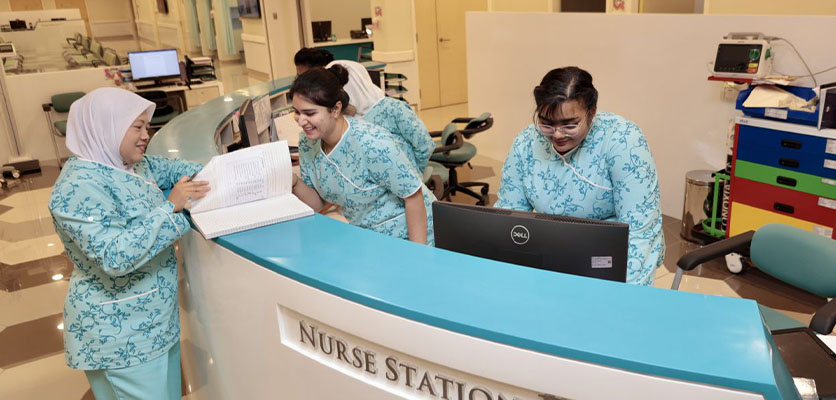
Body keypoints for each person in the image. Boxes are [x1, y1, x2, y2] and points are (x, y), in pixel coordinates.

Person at [49, 87, 210, 399]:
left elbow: (178, 169)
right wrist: (170, 208)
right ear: (106, 128)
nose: (145, 135)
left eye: (146, 127)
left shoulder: (135, 165)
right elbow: (114, 256)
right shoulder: (77, 188)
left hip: (154, 322)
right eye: (136, 127)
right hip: (119, 333)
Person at [495, 67, 664, 286]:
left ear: (591, 113)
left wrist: (624, 296)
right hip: (549, 253)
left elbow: (640, 230)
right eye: (547, 123)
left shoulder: (623, 142)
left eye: (570, 125)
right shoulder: (525, 143)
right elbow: (508, 215)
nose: (557, 134)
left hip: (608, 257)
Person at [290, 65, 436, 245]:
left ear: (335, 109)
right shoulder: (307, 144)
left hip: (411, 235)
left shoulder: (372, 143)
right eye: (297, 112)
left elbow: (413, 196)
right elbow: (319, 203)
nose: (301, 121)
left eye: (310, 113)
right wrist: (294, 183)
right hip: (369, 237)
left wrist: (418, 254)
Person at [327, 59, 434, 174]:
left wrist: (413, 173)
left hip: (403, 181)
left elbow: (425, 145)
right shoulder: (340, 119)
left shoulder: (393, 108)